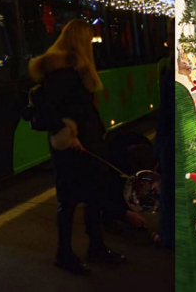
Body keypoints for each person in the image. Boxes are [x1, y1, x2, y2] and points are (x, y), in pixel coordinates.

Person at [29, 19, 128, 275]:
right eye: (89, 39)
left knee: (92, 196)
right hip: (73, 146)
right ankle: (65, 254)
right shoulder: (62, 71)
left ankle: (95, 247)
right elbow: (51, 111)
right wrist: (67, 135)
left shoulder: (72, 69)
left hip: (86, 143)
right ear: (79, 40)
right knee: (70, 200)